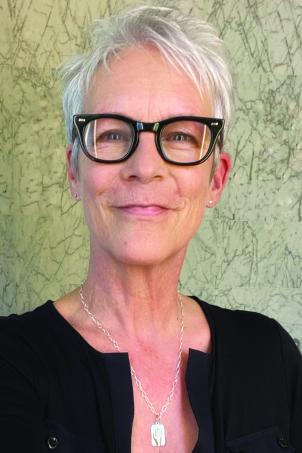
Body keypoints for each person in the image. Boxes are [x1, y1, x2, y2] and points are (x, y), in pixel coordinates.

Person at [0, 5, 301, 453]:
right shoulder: (10, 365)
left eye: (180, 135)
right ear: (74, 172)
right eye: (114, 134)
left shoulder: (271, 358)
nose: (144, 167)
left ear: (216, 178)